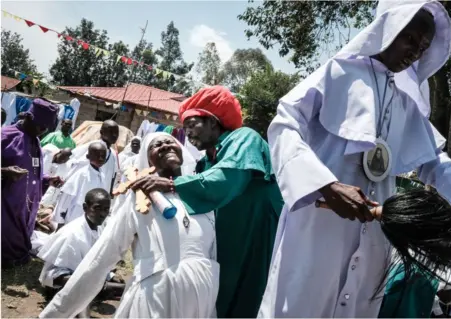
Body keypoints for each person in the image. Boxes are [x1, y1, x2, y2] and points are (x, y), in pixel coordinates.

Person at [258, 0, 451, 317]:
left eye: (423, 47)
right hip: (319, 223)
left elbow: (431, 160)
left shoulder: (407, 104)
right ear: (388, 27)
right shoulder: (338, 72)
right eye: (411, 39)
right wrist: (325, 185)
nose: (416, 51)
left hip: (375, 235)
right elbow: (284, 125)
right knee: (301, 303)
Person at [129, 86, 284, 318]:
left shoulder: (244, 138)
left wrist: (172, 185)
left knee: (252, 298)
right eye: (185, 127)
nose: (188, 133)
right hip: (227, 246)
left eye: (192, 125)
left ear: (212, 121)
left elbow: (227, 178)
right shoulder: (204, 163)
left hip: (256, 236)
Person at [39, 132, 219, 318]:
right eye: (156, 146)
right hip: (156, 299)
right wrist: (54, 314)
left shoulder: (202, 197)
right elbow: (99, 261)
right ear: (147, 161)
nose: (165, 146)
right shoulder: (139, 200)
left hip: (201, 299)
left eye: (169, 142)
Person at [38, 188, 124, 318]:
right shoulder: (72, 234)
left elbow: (95, 260)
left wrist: (109, 277)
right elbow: (56, 275)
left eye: (106, 209)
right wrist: (96, 283)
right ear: (85, 207)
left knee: (125, 288)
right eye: (97, 208)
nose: (102, 214)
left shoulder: (99, 227)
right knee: (82, 296)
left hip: (88, 279)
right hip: (62, 284)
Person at [2, 98, 64, 268]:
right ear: (28, 117)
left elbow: (34, 172)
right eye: (40, 126)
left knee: (21, 238)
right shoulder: (6, 136)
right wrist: (5, 172)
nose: (42, 131)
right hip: (6, 206)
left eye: (46, 128)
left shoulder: (35, 140)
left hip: (26, 207)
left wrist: (47, 180)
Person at [52, 142, 107, 227]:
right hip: (75, 216)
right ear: (88, 156)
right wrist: (60, 221)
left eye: (103, 156)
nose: (100, 158)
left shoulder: (102, 175)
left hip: (92, 218)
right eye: (97, 155)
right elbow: (66, 196)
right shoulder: (82, 174)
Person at [67, 120, 119, 193]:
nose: (114, 135)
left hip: (102, 193)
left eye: (116, 132)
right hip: (86, 190)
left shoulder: (113, 153)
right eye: (111, 132)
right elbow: (76, 164)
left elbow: (114, 174)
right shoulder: (93, 147)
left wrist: (110, 192)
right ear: (101, 132)